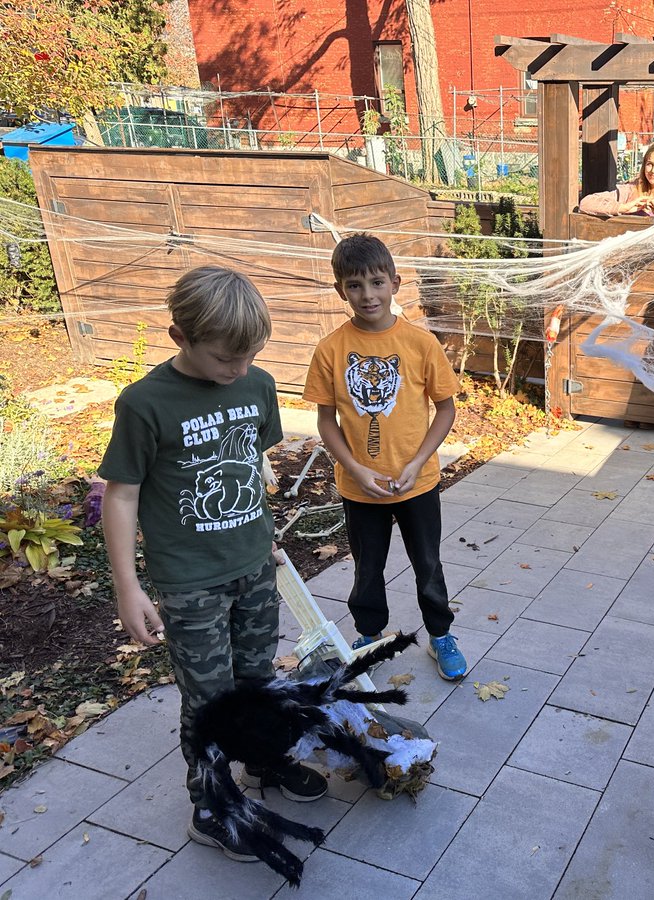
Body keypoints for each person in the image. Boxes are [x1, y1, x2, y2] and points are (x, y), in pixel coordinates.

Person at [99, 266, 327, 863]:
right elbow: (121, 496)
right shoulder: (145, 404)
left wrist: (267, 535)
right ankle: (211, 803)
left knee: (257, 681)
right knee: (209, 699)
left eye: (252, 354)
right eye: (228, 358)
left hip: (252, 565)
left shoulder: (256, 385)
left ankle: (262, 761)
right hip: (189, 583)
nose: (242, 369)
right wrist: (129, 587)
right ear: (180, 338)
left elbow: (252, 465)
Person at [302, 233, 466, 681]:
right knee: (366, 567)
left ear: (394, 283)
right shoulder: (331, 349)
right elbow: (326, 421)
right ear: (341, 291)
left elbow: (446, 408)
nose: (367, 295)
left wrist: (417, 462)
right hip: (360, 487)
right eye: (355, 286)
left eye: (376, 282)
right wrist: (354, 467)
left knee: (428, 565)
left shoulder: (419, 343)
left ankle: (440, 634)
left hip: (418, 483)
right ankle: (368, 635)